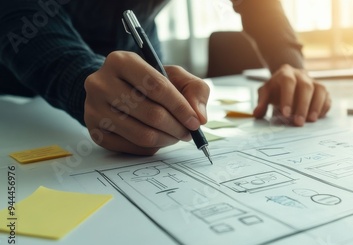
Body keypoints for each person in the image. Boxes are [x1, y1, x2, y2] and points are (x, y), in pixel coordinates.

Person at [0, 0, 331, 155]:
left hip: (142, 51)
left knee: (152, 117)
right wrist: (78, 77)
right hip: (19, 76)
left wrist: (291, 66)